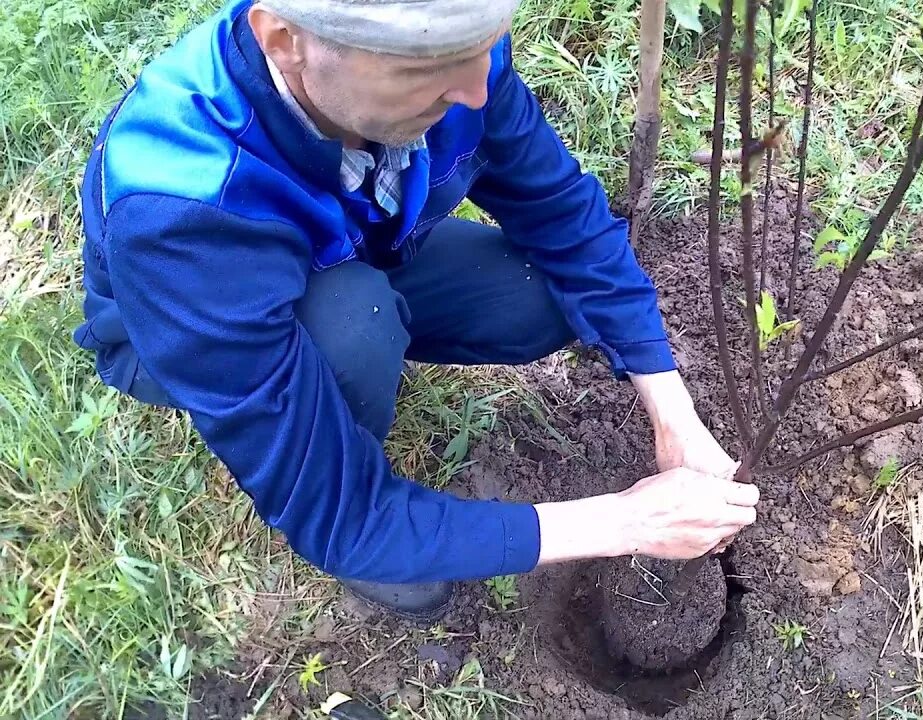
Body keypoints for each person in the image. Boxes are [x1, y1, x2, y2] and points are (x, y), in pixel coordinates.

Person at [74, 0, 759, 620]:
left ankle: (365, 326)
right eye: (429, 71)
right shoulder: (182, 209)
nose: (475, 92)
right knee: (352, 325)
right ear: (285, 42)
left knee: (544, 294)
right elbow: (348, 520)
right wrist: (625, 523)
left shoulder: (458, 66)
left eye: (481, 54)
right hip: (192, 321)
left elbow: (564, 219)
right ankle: (347, 463)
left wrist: (673, 410)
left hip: (359, 244)